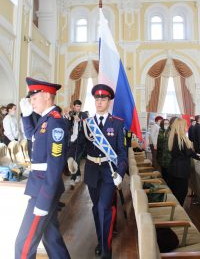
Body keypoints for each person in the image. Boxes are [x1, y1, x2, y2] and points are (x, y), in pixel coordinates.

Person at [68, 84, 128, 259]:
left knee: (104, 207)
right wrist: (72, 157)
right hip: (92, 171)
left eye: (103, 99)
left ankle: (105, 248)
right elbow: (79, 144)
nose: (99, 101)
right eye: (97, 99)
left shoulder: (117, 124)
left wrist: (121, 172)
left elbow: (122, 153)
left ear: (109, 102)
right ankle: (101, 239)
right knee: (96, 209)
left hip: (109, 172)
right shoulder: (87, 124)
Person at [15, 77, 71, 259]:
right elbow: (33, 136)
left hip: (43, 191)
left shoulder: (55, 122)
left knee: (23, 245)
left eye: (34, 98)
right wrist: (25, 116)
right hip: (41, 186)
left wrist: (43, 201)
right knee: (51, 238)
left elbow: (55, 166)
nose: (32, 103)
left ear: (47, 96)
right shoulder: (45, 120)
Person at [168, 118, 200, 206]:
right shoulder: (181, 139)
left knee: (176, 192)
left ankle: (175, 211)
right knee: (181, 193)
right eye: (185, 125)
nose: (187, 127)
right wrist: (198, 156)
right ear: (181, 127)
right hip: (181, 170)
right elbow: (190, 152)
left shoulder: (173, 137)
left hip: (174, 168)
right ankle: (178, 214)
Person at [65, 99, 88, 188]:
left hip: (81, 142)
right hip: (72, 141)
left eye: (79, 106)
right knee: (71, 158)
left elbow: (87, 126)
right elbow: (66, 127)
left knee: (76, 159)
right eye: (77, 106)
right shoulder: (71, 114)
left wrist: (80, 121)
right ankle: (78, 174)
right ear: (73, 106)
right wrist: (68, 117)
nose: (78, 108)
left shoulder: (84, 115)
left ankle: (72, 179)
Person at [156, 119, 171, 185]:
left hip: (168, 156)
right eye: (165, 123)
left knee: (168, 173)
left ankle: (168, 186)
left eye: (168, 123)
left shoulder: (170, 132)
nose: (166, 125)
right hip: (161, 155)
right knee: (163, 172)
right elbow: (158, 143)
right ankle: (165, 185)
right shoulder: (160, 131)